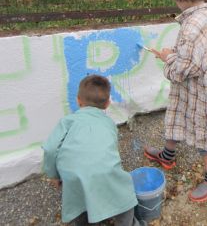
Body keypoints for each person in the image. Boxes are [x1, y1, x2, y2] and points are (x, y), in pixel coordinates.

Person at [143, 0, 207, 202]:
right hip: (198, 87)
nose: (175, 1)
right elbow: (195, 57)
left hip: (201, 91)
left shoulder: (192, 25)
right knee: (177, 115)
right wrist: (176, 54)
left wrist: (167, 58)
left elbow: (185, 68)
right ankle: (167, 155)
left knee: (204, 134)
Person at [42, 75, 143, 226]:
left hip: (73, 176)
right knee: (124, 198)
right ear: (108, 103)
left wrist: (53, 175)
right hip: (106, 172)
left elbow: (50, 149)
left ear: (78, 100)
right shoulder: (109, 124)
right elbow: (109, 150)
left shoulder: (67, 121)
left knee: (80, 203)